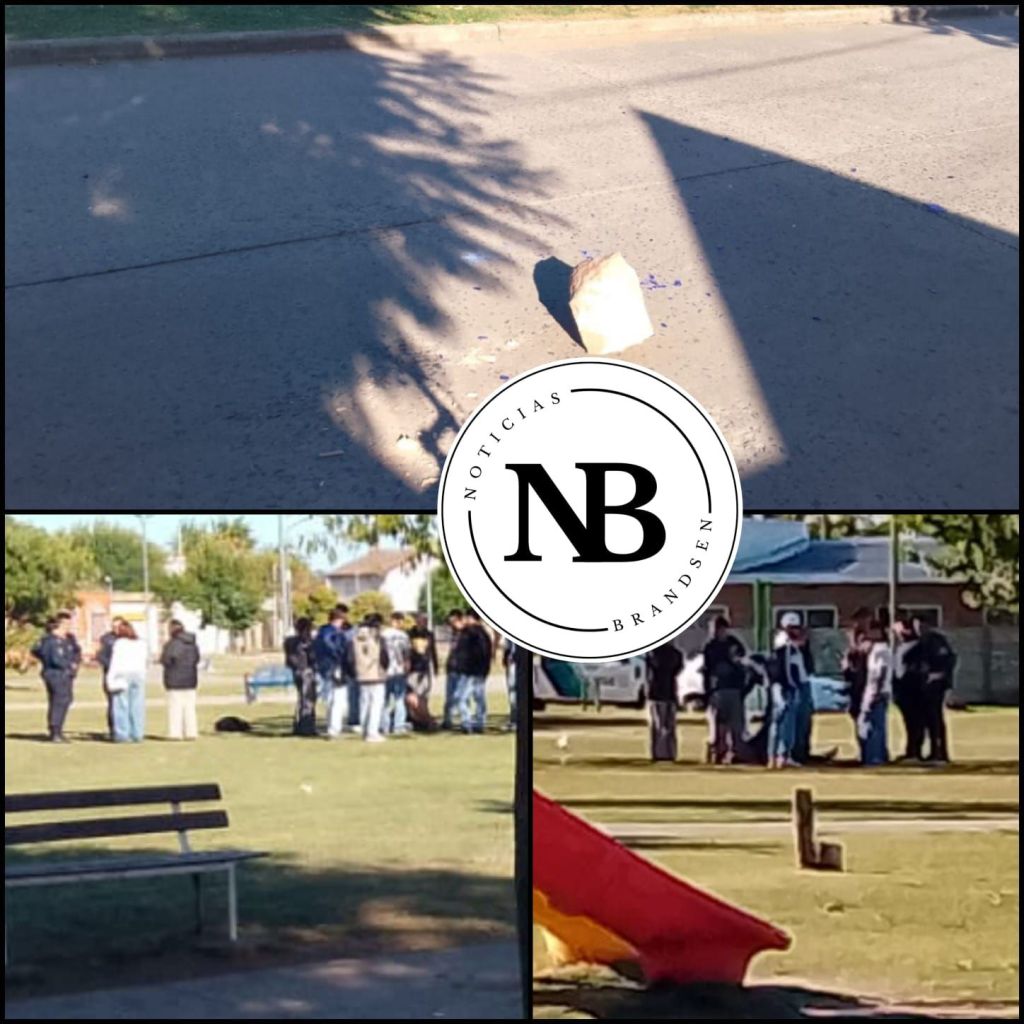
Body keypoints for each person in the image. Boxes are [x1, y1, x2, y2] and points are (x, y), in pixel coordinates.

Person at [702, 616, 747, 765]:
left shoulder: (734, 644)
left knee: (736, 726)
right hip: (718, 690)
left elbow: (742, 663)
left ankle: (735, 753)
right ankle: (717, 753)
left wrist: (742, 686)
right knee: (718, 726)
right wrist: (707, 693)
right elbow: (707, 671)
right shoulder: (710, 647)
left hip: (734, 689)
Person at [915, 618, 957, 762]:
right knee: (928, 720)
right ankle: (933, 751)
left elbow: (948, 660)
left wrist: (938, 674)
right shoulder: (921, 641)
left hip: (936, 686)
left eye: (920, 624)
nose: (918, 628)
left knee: (935, 719)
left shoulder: (936, 640)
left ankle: (940, 752)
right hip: (924, 686)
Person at [31, 617, 76, 742]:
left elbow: (75, 652)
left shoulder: (67, 640)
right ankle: (55, 731)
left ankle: (58, 730)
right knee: (59, 701)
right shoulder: (50, 641)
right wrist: (67, 665)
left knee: (65, 700)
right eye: (66, 625)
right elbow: (54, 658)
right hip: (56, 674)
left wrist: (73, 664)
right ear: (58, 626)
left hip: (65, 674)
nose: (68, 627)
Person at [780, 614, 816, 764]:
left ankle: (803, 752)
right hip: (793, 686)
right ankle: (791, 753)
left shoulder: (802, 645)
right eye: (792, 628)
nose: (796, 631)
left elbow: (809, 665)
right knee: (791, 723)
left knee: (805, 721)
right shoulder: (783, 643)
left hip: (803, 684)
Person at [857, 620, 892, 765]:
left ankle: (874, 757)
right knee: (875, 724)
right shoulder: (878, 649)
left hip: (876, 692)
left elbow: (880, 672)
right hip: (877, 691)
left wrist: (875, 692)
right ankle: (879, 755)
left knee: (870, 725)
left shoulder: (880, 649)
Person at [107, 620, 148, 742]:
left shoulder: (120, 644)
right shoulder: (141, 644)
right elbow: (146, 661)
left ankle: (122, 733)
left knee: (121, 706)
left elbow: (115, 663)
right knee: (137, 706)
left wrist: (110, 678)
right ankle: (137, 733)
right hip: (138, 674)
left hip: (123, 674)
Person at [160, 619, 201, 740]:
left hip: (174, 680)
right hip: (190, 679)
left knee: (175, 708)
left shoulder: (172, 644)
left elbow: (166, 660)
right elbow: (197, 659)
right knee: (190, 708)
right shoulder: (192, 644)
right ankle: (191, 732)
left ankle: (175, 733)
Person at [314, 609, 351, 739]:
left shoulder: (320, 632)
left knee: (330, 699)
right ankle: (334, 728)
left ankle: (331, 726)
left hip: (324, 668)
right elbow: (337, 649)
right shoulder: (335, 633)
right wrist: (341, 658)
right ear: (339, 620)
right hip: (335, 667)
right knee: (338, 700)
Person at [892, 617, 925, 760]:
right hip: (902, 690)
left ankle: (915, 751)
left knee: (915, 722)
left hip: (913, 690)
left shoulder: (916, 647)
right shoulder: (902, 647)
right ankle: (910, 749)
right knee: (909, 722)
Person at [646, 641, 684, 761]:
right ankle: (660, 753)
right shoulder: (655, 653)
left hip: (670, 693)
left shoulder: (674, 653)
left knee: (669, 726)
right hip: (657, 694)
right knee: (659, 726)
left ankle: (669, 753)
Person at [352, 614, 387, 742]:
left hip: (361, 674)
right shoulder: (376, 637)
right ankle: (372, 732)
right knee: (376, 705)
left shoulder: (356, 637)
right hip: (375, 674)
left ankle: (365, 729)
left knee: (364, 704)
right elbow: (382, 655)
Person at [458, 609, 492, 734]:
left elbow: (465, 653)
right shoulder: (485, 634)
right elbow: (487, 654)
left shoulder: (469, 632)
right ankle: (479, 722)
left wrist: (464, 667)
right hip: (481, 671)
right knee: (479, 698)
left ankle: (467, 723)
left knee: (462, 698)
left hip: (470, 671)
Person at [380, 612, 412, 735]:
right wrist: (407, 667)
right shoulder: (403, 636)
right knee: (399, 699)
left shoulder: (383, 634)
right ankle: (398, 726)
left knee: (385, 700)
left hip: (387, 671)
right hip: (399, 670)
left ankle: (385, 726)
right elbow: (407, 654)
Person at [285, 617, 318, 736]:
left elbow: (289, 659)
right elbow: (312, 657)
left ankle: (299, 725)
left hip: (296, 671)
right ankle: (307, 726)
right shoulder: (306, 642)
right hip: (306, 671)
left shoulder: (289, 641)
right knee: (308, 699)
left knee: (301, 698)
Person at [96, 616, 126, 739]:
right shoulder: (106, 639)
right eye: (114, 626)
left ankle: (125, 728)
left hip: (126, 674)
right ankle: (113, 729)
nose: (116, 629)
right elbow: (100, 656)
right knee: (113, 703)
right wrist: (112, 666)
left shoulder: (129, 638)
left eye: (119, 626)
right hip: (111, 675)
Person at [442, 609, 466, 730]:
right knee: (449, 697)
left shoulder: (467, 633)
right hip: (451, 668)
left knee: (460, 697)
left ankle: (464, 721)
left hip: (462, 670)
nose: (452, 624)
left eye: (454, 621)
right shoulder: (454, 633)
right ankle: (447, 720)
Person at [408, 612, 438, 706]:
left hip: (425, 667)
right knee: (412, 692)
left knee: (424, 692)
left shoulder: (429, 634)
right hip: (413, 668)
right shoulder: (410, 634)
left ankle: (423, 711)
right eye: (422, 621)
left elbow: (433, 650)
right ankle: (412, 714)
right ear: (417, 621)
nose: (424, 623)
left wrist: (435, 666)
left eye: (425, 621)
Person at [502, 638, 518, 732]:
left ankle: (515, 721)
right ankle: (513, 720)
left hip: (516, 663)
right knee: (512, 693)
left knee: (514, 692)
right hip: (511, 662)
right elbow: (507, 646)